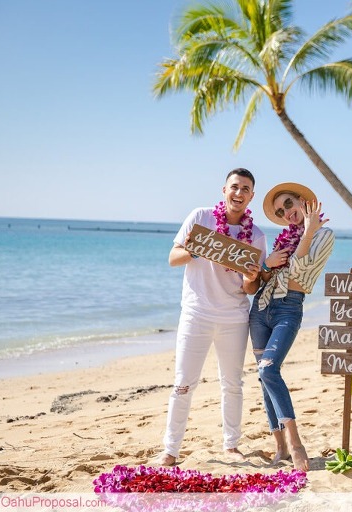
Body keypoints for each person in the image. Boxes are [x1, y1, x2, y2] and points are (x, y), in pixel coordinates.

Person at [154, 168, 267, 466]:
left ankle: (231, 445)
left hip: (234, 317)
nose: (238, 193)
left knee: (232, 383)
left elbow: (250, 288)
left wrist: (250, 277)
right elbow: (172, 258)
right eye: (234, 187)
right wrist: (199, 249)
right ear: (224, 190)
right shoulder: (201, 218)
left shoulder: (256, 236)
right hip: (196, 313)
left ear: (251, 196)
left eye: (245, 189)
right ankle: (171, 449)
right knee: (183, 383)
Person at [249, 182, 334, 471]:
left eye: (288, 204)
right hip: (261, 310)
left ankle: (296, 443)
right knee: (264, 378)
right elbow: (261, 281)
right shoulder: (282, 240)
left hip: (289, 308)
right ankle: (280, 446)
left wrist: (308, 232)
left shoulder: (324, 235)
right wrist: (267, 265)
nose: (286, 213)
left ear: (303, 201)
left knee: (268, 369)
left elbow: (299, 271)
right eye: (280, 211)